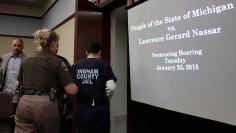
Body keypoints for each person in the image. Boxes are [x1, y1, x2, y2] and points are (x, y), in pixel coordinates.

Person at [14, 28, 78, 133]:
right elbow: (71, 90)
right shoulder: (58, 62)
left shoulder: (27, 60)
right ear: (53, 43)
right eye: (57, 44)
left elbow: (17, 84)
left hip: (23, 104)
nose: (57, 47)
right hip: (45, 106)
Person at [71, 42, 117, 133]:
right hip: (100, 108)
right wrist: (106, 96)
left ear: (86, 52)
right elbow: (111, 86)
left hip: (82, 108)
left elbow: (71, 87)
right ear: (99, 52)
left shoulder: (76, 65)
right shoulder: (104, 64)